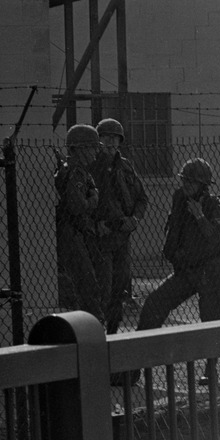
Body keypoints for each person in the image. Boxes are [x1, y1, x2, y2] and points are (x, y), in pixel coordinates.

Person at [136, 158, 220, 334]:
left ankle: (212, 360)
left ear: (203, 184)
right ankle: (143, 351)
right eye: (185, 180)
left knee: (210, 321)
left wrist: (200, 216)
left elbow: (215, 238)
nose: (187, 184)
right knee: (154, 304)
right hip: (187, 270)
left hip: (209, 271)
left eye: (192, 181)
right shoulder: (180, 202)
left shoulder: (214, 206)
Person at [89, 118, 148, 339]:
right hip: (101, 238)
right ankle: (97, 335)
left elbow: (142, 198)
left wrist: (135, 218)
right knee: (102, 288)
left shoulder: (125, 166)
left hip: (122, 236)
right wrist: (96, 225)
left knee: (119, 289)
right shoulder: (91, 166)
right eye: (106, 137)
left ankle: (113, 333)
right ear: (99, 140)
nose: (110, 142)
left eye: (114, 138)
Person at [55, 124, 104, 322]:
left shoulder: (77, 171)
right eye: (93, 147)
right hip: (72, 232)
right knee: (86, 280)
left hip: (77, 232)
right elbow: (78, 206)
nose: (96, 152)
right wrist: (94, 198)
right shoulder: (75, 173)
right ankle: (92, 323)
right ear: (81, 148)